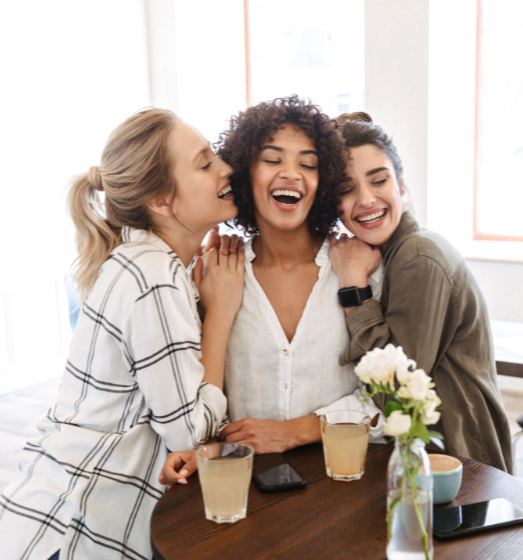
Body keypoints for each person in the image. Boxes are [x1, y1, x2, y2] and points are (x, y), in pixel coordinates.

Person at [0, 108, 245, 560]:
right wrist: (218, 315)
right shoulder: (153, 276)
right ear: (160, 200)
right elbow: (186, 432)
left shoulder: (145, 263)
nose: (226, 168)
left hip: (52, 512)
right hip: (70, 531)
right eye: (205, 163)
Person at [161, 96, 383, 485]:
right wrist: (207, 446)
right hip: (246, 491)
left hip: (348, 484)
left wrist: (297, 430)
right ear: (245, 174)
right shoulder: (216, 274)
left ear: (323, 180)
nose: (291, 174)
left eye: (308, 164)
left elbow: (388, 397)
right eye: (272, 159)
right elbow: (198, 398)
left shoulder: (358, 268)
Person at [327, 112, 513, 474]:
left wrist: (353, 285)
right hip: (438, 459)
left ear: (401, 185)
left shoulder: (418, 256)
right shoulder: (393, 253)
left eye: (378, 180)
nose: (365, 199)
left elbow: (397, 396)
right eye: (346, 189)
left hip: (458, 462)